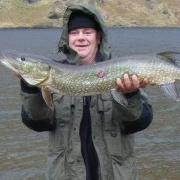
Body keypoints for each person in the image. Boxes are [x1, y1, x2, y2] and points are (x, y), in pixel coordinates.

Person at [20, 4, 153, 180]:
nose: (80, 38)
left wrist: (130, 95)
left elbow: (141, 122)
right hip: (67, 174)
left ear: (98, 37)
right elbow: (36, 122)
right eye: (74, 33)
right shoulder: (52, 75)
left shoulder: (121, 70)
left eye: (87, 32)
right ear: (67, 39)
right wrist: (31, 88)